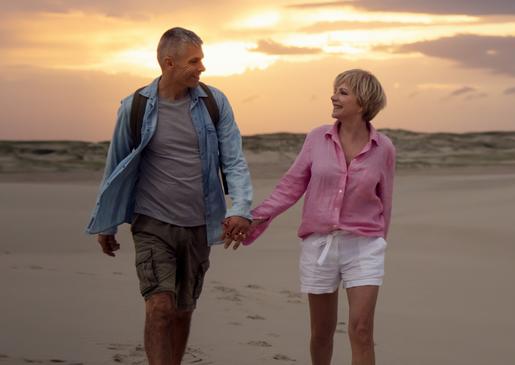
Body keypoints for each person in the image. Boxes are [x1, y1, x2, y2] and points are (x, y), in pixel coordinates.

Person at [85, 27, 252, 365]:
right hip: (152, 223)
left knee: (182, 311)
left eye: (201, 60)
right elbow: (115, 166)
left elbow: (233, 159)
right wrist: (106, 223)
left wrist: (241, 209)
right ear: (169, 63)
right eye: (194, 61)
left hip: (199, 224)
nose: (202, 67)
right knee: (159, 307)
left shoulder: (213, 103)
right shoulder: (134, 107)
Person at [227, 69, 395, 365]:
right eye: (335, 90)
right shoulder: (317, 138)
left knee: (362, 329)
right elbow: (290, 186)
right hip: (319, 247)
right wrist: (252, 218)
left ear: (364, 100)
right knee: (321, 334)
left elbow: (386, 201)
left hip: (364, 246)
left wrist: (380, 240)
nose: (334, 96)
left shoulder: (384, 149)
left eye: (343, 92)